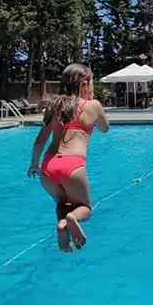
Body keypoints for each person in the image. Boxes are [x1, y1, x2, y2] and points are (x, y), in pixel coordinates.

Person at [27, 64, 109, 253]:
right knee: (85, 209)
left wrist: (34, 164)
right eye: (91, 82)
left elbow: (40, 140)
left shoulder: (55, 106)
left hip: (48, 166)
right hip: (72, 166)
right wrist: (97, 116)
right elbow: (105, 128)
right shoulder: (93, 105)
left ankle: (63, 226)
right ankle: (72, 219)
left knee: (61, 204)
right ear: (83, 84)